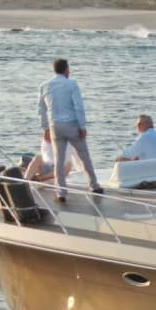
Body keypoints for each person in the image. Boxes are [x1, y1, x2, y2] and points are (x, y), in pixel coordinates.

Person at [38, 58, 103, 202]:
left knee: (59, 159)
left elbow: (41, 110)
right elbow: (78, 106)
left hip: (55, 125)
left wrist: (45, 128)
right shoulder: (72, 84)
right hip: (71, 124)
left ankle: (61, 191)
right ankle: (94, 185)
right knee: (84, 155)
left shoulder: (44, 86)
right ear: (66, 69)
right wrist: (82, 126)